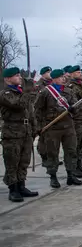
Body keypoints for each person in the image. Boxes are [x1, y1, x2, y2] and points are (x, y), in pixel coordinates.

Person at [0, 67, 39, 202]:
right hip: (12, 133)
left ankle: (21, 185)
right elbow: (18, 105)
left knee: (23, 161)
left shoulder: (22, 93)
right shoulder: (5, 93)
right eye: (16, 76)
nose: (19, 78)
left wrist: (34, 128)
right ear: (7, 79)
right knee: (12, 162)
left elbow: (30, 111)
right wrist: (27, 91)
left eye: (19, 75)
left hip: (26, 131)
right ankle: (13, 189)